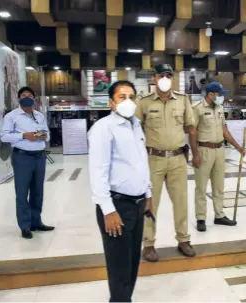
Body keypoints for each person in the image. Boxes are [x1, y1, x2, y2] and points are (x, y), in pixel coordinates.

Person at [88, 80, 153, 302]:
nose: (128, 101)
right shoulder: (103, 128)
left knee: (132, 261)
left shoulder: (136, 125)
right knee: (119, 266)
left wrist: (148, 194)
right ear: (111, 103)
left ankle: (126, 299)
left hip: (137, 204)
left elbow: (141, 162)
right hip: (117, 206)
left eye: (132, 97)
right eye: (122, 97)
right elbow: (98, 171)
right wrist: (108, 210)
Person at [135, 64, 198, 262]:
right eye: (161, 74)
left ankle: (183, 239)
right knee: (150, 203)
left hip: (178, 158)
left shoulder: (183, 100)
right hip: (153, 159)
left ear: (172, 79)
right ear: (154, 78)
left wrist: (196, 154)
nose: (165, 77)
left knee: (181, 202)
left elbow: (192, 128)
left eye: (168, 75)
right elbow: (135, 133)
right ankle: (149, 244)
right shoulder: (143, 103)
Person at [0, 86, 54, 239]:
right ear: (19, 98)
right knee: (22, 192)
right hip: (22, 157)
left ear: (34, 99)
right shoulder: (12, 116)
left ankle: (36, 222)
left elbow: (47, 134)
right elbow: (4, 136)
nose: (27, 97)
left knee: (38, 191)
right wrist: (24, 135)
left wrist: (43, 136)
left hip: (39, 156)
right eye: (24, 95)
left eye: (30, 95)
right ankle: (25, 225)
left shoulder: (39, 116)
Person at [192, 82, 246, 232]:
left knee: (219, 186)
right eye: (219, 94)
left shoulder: (220, 108)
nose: (221, 97)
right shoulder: (197, 108)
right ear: (211, 94)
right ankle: (201, 217)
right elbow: (193, 132)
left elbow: (224, 130)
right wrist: (195, 154)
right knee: (201, 187)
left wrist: (237, 146)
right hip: (204, 150)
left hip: (219, 150)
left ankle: (219, 215)